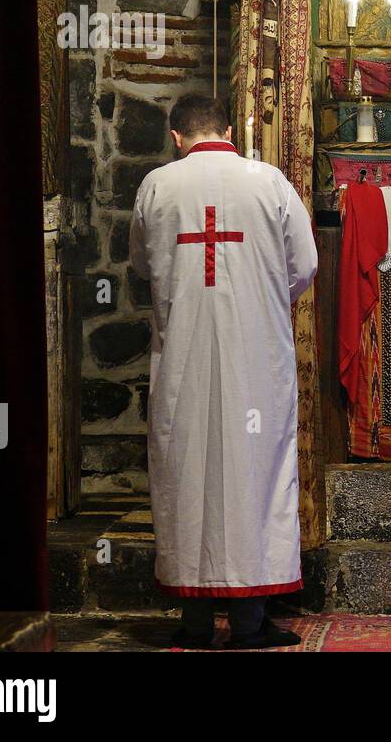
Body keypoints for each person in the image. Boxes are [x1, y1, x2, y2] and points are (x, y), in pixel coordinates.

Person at [130, 94, 318, 649]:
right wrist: (265, 299)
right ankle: (248, 623)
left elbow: (143, 265)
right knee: (254, 472)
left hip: (182, 356)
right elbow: (304, 265)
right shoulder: (269, 182)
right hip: (255, 359)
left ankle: (193, 622)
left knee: (186, 473)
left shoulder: (158, 186)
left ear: (176, 136)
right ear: (229, 130)